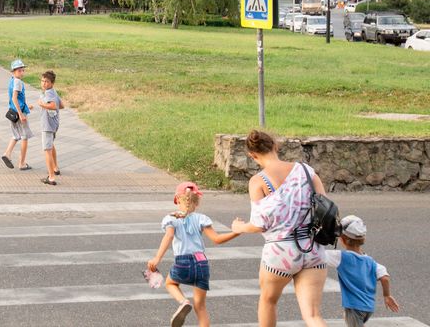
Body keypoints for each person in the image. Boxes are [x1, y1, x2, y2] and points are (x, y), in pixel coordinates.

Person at [231, 130, 329, 327]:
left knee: (268, 301)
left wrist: (239, 227)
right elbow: (326, 207)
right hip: (312, 249)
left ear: (252, 155)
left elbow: (258, 225)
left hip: (280, 251)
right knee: (313, 315)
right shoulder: (306, 171)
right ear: (275, 146)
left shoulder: (259, 181)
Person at [147, 182, 240, 327]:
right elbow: (217, 239)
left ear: (177, 199)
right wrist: (237, 232)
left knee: (170, 283)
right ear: (197, 203)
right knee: (200, 307)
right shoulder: (202, 218)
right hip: (202, 264)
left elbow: (169, 236)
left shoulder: (171, 218)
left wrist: (157, 258)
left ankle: (183, 302)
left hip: (183, 262)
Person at [326, 215, 399, 327]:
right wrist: (387, 295)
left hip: (354, 307)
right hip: (369, 307)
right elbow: (385, 278)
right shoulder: (371, 262)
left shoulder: (341, 257)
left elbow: (317, 255)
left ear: (342, 239)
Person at [1, 59, 33, 170]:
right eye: (19, 71)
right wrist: (21, 114)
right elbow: (15, 98)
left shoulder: (12, 81)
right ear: (13, 71)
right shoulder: (18, 82)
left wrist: (27, 106)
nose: (22, 72)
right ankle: (22, 163)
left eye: (23, 70)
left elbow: (16, 99)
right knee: (25, 137)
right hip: (19, 113)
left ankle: (7, 154)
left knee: (16, 135)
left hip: (12, 112)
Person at [37, 70, 63, 185]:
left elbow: (53, 105)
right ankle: (55, 168)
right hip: (54, 124)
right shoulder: (53, 92)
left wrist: (42, 104)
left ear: (52, 83)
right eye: (42, 81)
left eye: (47, 81)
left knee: (47, 150)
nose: (44, 83)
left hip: (47, 125)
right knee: (51, 146)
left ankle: (51, 177)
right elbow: (61, 105)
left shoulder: (48, 93)